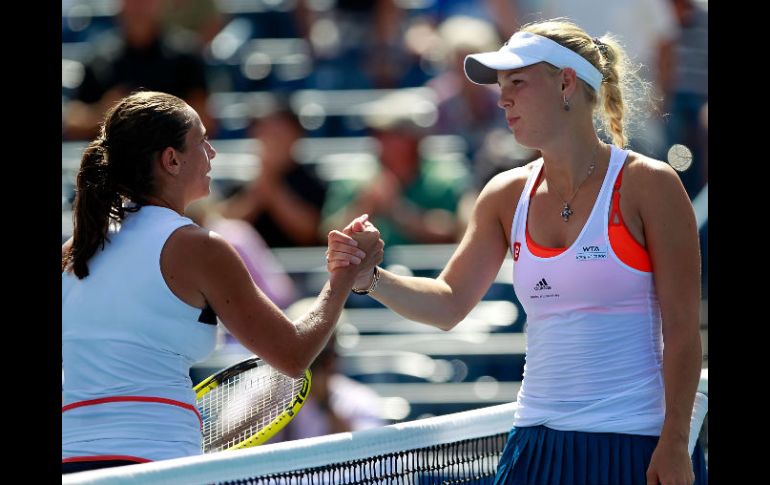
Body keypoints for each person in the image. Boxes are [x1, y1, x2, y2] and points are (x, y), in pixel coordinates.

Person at [327, 19, 706, 485]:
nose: (502, 99)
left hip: (636, 444)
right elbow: (448, 302)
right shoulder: (504, 194)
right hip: (534, 444)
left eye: (518, 83)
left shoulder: (652, 185)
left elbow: (685, 329)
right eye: (501, 87)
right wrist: (370, 277)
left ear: (567, 81)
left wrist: (673, 442)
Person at [61, 91, 383, 474]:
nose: (213, 154)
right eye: (202, 141)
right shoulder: (200, 247)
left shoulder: (74, 249)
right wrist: (345, 272)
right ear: (172, 160)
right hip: (156, 465)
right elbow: (294, 356)